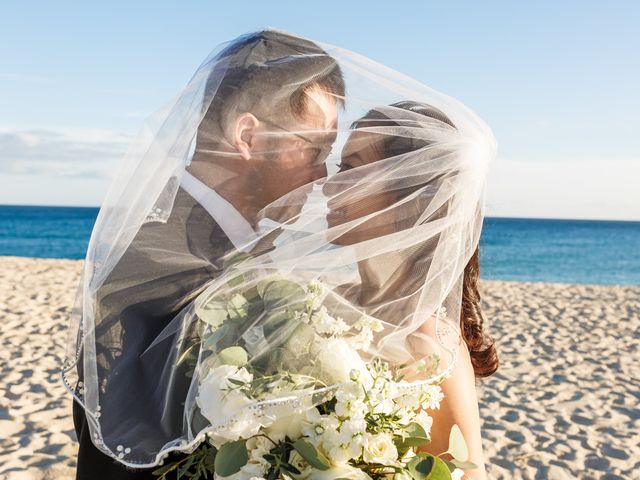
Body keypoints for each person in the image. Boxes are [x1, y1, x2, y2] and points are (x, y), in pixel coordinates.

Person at [67, 29, 344, 479]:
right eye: (316, 149)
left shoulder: (241, 246)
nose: (324, 175)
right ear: (248, 137)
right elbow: (120, 448)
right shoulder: (150, 258)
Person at [322, 101, 499, 479]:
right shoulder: (326, 304)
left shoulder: (429, 345)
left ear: (410, 197)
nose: (328, 184)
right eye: (340, 167)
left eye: (351, 168)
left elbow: (467, 474)